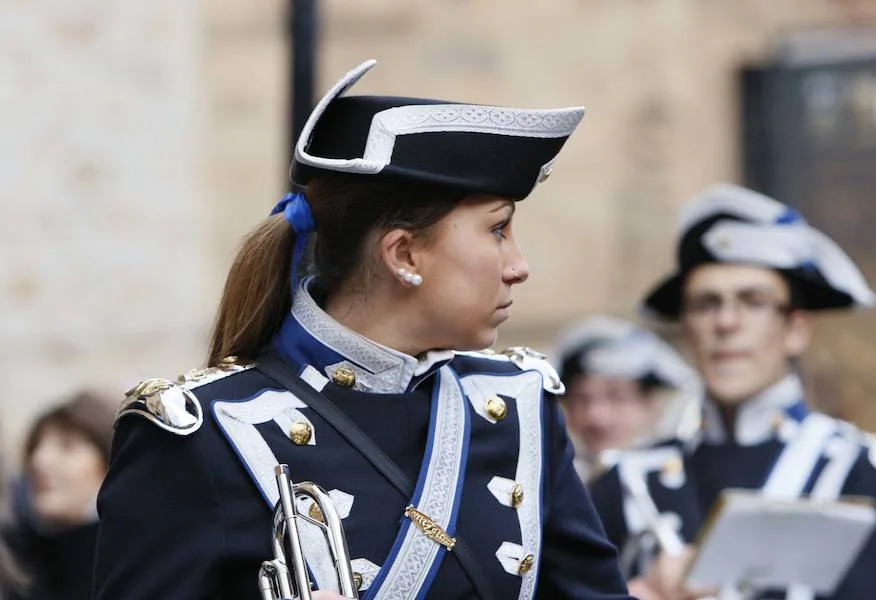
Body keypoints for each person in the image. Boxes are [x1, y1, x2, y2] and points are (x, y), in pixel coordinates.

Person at [92, 59, 634, 600]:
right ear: (403, 254)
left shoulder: (521, 407)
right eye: (497, 229)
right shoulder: (200, 434)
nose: (518, 265)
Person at [589, 184, 876, 599]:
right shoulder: (626, 484)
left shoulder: (871, 478)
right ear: (687, 328)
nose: (726, 323)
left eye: (752, 301)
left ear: (796, 328)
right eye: (706, 304)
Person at [550, 316, 699, 482]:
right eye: (582, 399)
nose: (597, 416)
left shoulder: (688, 481)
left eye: (616, 397)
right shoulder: (550, 485)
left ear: (651, 405)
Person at [3, 392, 115, 600]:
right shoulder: (16, 560)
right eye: (36, 447)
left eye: (67, 446)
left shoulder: (130, 564)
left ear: (108, 465)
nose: (39, 460)